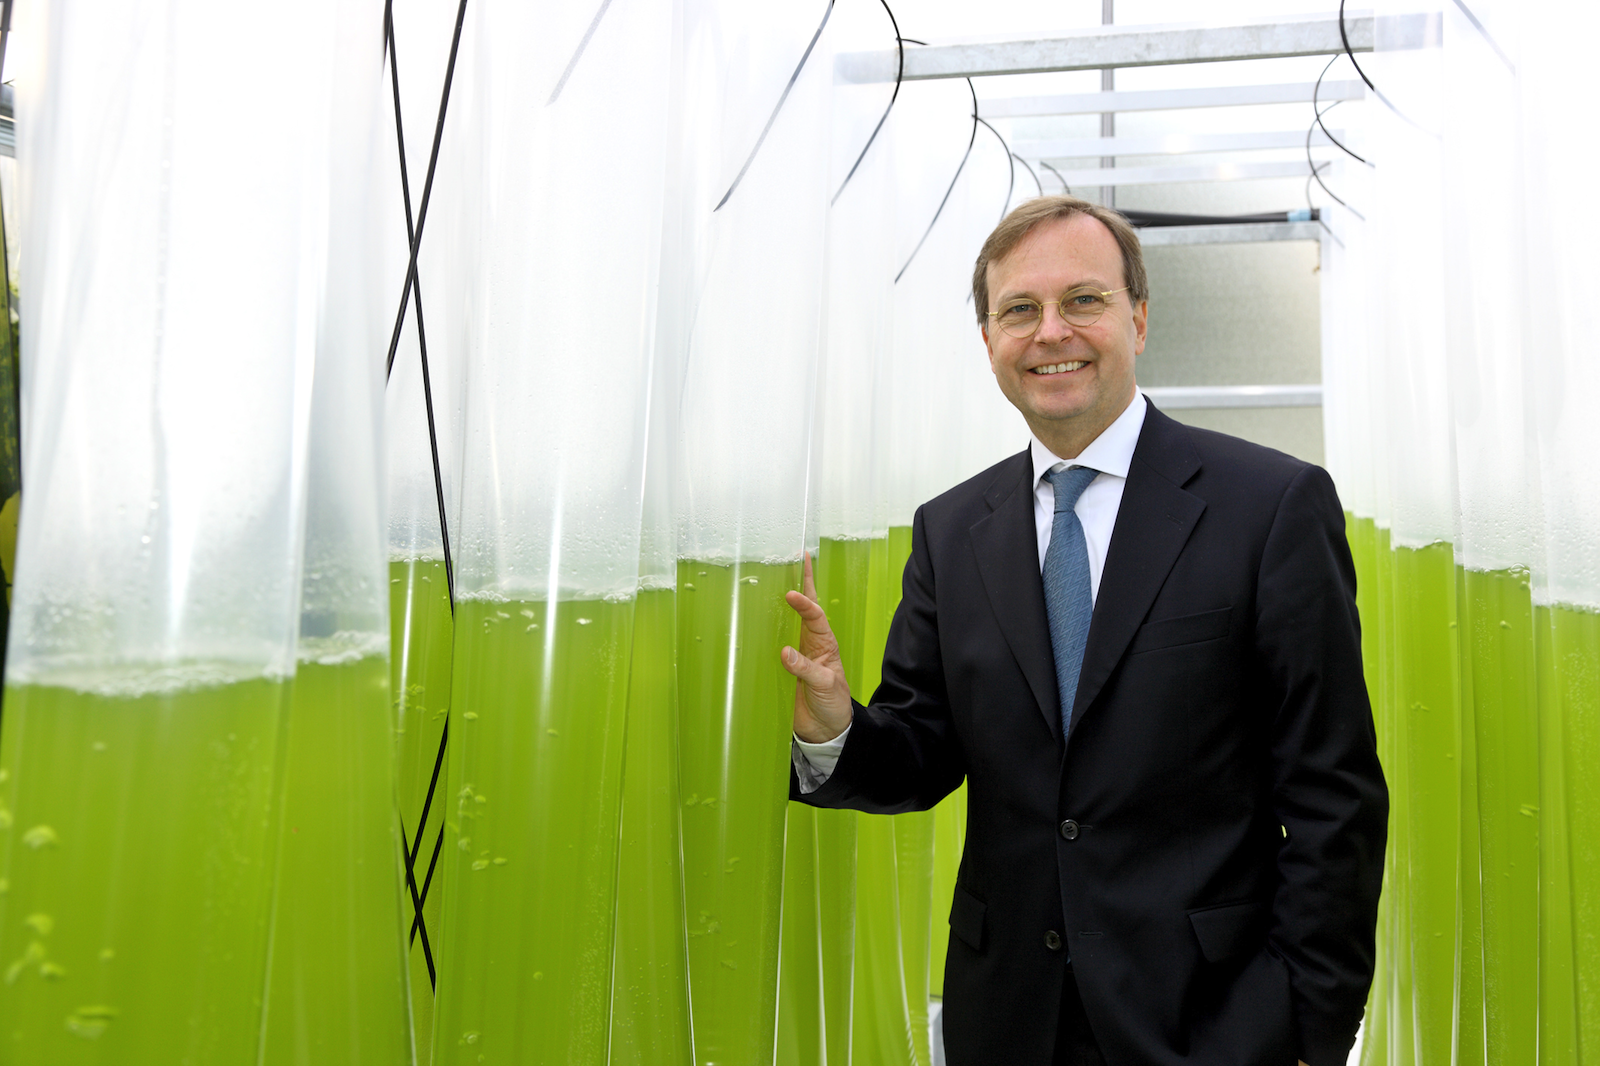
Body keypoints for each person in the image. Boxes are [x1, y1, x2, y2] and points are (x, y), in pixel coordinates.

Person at [780, 195, 1387, 1066]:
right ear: (987, 340)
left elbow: (1335, 796)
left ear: (1138, 318)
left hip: (1212, 1019)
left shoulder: (1271, 506)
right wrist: (836, 723)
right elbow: (922, 752)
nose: (1050, 331)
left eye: (1083, 301)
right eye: (1019, 309)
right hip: (1009, 1018)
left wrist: (1308, 1027)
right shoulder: (952, 531)